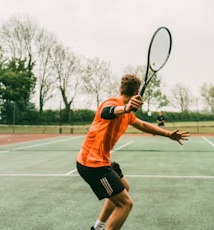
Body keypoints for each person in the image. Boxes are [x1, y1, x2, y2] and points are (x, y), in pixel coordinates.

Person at [76, 73, 190, 230]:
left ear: (120, 88)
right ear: (137, 92)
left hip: (100, 161)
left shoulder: (127, 114)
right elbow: (107, 112)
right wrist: (125, 107)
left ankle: (99, 227)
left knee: (124, 187)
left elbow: (142, 125)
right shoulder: (112, 103)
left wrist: (168, 134)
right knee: (125, 204)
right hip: (93, 166)